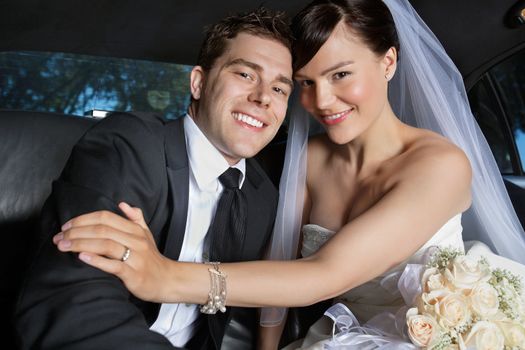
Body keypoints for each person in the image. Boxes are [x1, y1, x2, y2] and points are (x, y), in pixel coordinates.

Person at [48, 0, 525, 349]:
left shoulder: (440, 166)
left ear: (389, 61)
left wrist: (168, 277)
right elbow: (279, 261)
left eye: (340, 75)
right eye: (305, 84)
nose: (321, 102)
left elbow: (323, 274)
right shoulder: (308, 159)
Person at [14, 7, 294, 350]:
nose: (264, 97)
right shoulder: (130, 146)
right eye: (246, 75)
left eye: (280, 89)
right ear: (198, 82)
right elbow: (74, 300)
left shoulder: (261, 196)